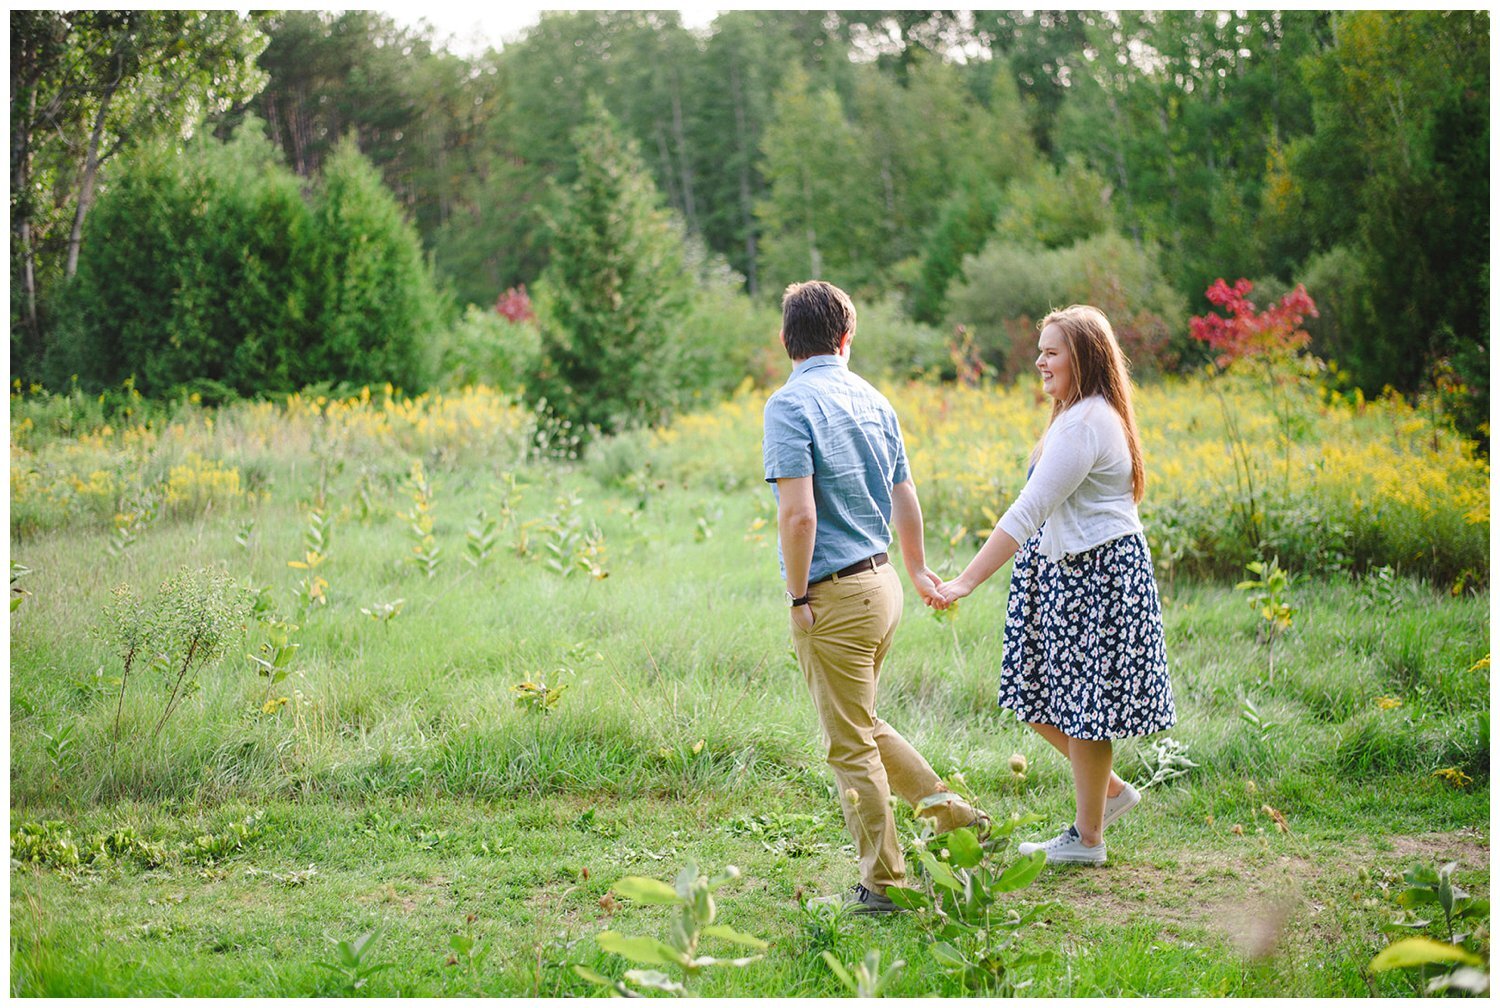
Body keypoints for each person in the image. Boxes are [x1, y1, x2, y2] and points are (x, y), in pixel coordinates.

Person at [763, 280, 988, 913]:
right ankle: (953, 817)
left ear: (786, 340)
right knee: (860, 722)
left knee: (848, 743)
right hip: (882, 584)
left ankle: (883, 884)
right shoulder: (873, 399)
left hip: (833, 594)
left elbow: (799, 516)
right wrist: (917, 572)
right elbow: (906, 495)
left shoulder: (788, 405)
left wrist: (797, 595)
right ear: (846, 337)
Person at [931, 304, 1175, 865]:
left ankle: (1089, 838)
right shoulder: (1076, 416)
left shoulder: (1088, 421)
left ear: (1084, 357)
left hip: (1099, 575)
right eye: (1040, 349)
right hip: (1070, 574)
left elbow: (1028, 510)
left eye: (1051, 351)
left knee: (1087, 709)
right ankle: (1106, 794)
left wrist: (965, 581)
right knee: (1038, 696)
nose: (1040, 360)